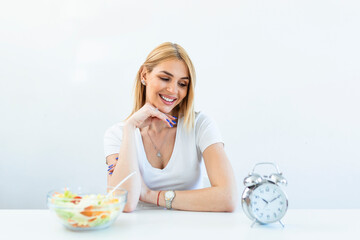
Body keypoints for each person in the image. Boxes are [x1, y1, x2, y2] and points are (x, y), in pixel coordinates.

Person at [104, 42, 238, 212]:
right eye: (165, 78)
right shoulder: (117, 135)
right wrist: (130, 128)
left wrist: (151, 195)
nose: (173, 90)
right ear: (144, 75)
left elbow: (228, 198)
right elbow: (124, 203)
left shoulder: (200, 125)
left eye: (182, 84)